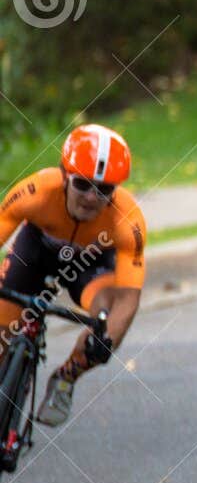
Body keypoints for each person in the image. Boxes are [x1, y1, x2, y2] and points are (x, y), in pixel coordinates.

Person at [0, 125, 145, 427]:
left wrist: (106, 338)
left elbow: (129, 297)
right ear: (65, 175)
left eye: (104, 189)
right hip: (36, 250)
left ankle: (66, 377)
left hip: (91, 265)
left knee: (105, 321)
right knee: (2, 329)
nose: (91, 197)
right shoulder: (37, 191)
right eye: (83, 184)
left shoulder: (127, 220)